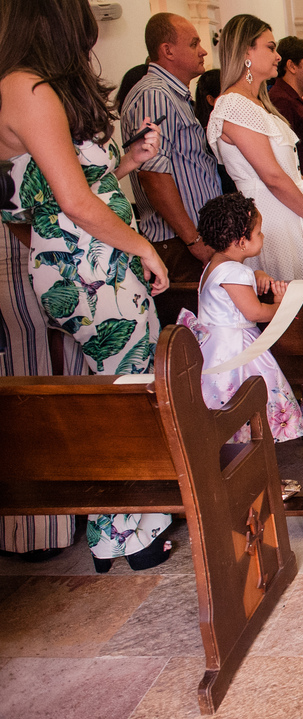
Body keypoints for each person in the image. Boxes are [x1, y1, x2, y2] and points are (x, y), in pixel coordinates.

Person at [0, 0, 173, 570]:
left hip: (85, 263)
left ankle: (118, 531)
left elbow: (56, 194)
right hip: (93, 270)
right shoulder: (27, 88)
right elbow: (72, 204)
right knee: (130, 388)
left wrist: (126, 163)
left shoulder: (27, 87)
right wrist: (142, 244)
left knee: (120, 383)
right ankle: (127, 533)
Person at [177, 194, 303, 442]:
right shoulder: (234, 272)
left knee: (224, 403)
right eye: (258, 233)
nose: (263, 236)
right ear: (241, 242)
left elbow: (233, 295)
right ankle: (253, 449)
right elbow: (254, 312)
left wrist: (256, 274)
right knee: (250, 396)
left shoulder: (214, 265)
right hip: (236, 349)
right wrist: (280, 305)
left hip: (214, 346)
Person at [207, 14, 303, 282]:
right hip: (269, 217)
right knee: (286, 297)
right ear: (245, 51)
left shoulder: (260, 104)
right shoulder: (234, 104)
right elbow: (272, 176)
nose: (278, 56)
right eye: (271, 47)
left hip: (291, 211)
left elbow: (289, 170)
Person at [122, 13, 222, 328]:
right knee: (192, 338)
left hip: (190, 238)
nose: (203, 51)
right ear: (167, 50)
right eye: (193, 44)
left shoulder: (173, 95)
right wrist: (194, 240)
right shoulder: (155, 94)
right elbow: (153, 174)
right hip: (178, 242)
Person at [268, 36, 303, 194]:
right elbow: (285, 156)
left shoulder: (291, 98)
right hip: (299, 190)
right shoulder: (281, 101)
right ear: (292, 66)